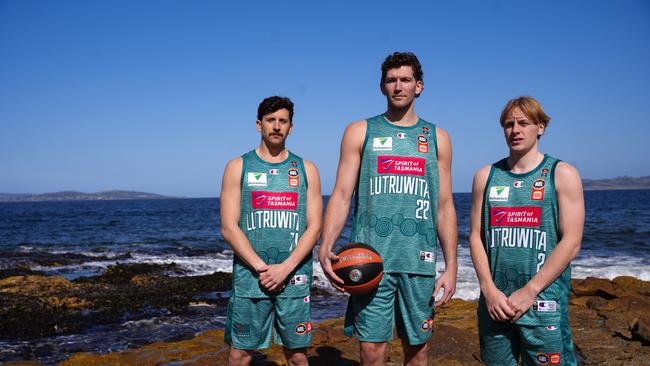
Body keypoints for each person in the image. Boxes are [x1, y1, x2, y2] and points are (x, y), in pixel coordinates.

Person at [318, 52, 458, 366]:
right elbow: (341, 195)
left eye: (405, 80)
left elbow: (445, 206)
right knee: (371, 351)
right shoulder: (360, 131)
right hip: (370, 262)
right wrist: (324, 246)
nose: (398, 86)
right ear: (382, 86)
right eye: (391, 80)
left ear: (418, 86)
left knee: (417, 350)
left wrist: (451, 267)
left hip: (417, 263)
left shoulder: (438, 138)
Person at [469, 96, 584, 366]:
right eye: (509, 124)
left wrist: (530, 291)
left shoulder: (562, 173)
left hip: (542, 302)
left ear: (541, 127)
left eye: (523, 123)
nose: (515, 130)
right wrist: (489, 290)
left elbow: (572, 241)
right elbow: (475, 236)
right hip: (495, 303)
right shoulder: (486, 176)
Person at [220, 96, 322, 366]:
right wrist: (262, 268)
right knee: (240, 354)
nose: (276, 126)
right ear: (258, 125)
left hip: (294, 278)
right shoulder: (238, 167)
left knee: (298, 356)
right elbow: (229, 228)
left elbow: (315, 227)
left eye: (282, 121)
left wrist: (285, 268)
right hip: (250, 279)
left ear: (291, 127)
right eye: (270, 120)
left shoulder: (307, 169)